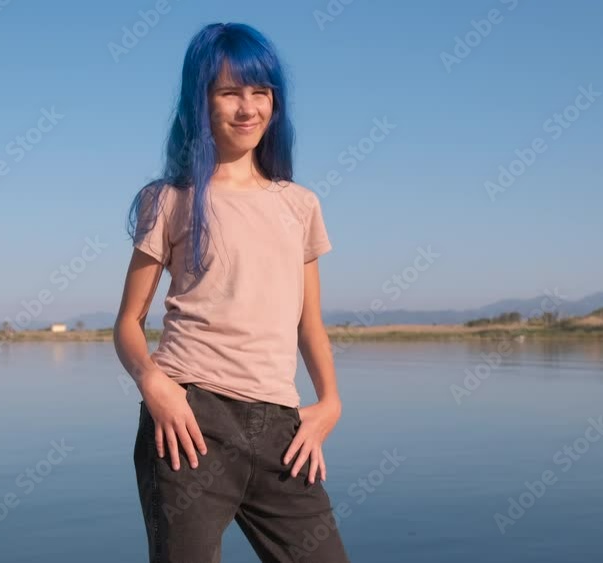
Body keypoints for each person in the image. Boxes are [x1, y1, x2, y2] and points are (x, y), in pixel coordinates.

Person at [113, 22, 351, 563]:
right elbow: (128, 321)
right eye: (229, 92)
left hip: (283, 428)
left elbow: (309, 323)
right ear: (200, 102)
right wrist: (154, 384)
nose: (248, 108)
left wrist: (330, 402)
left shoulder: (299, 205)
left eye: (260, 92)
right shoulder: (170, 199)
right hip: (190, 422)